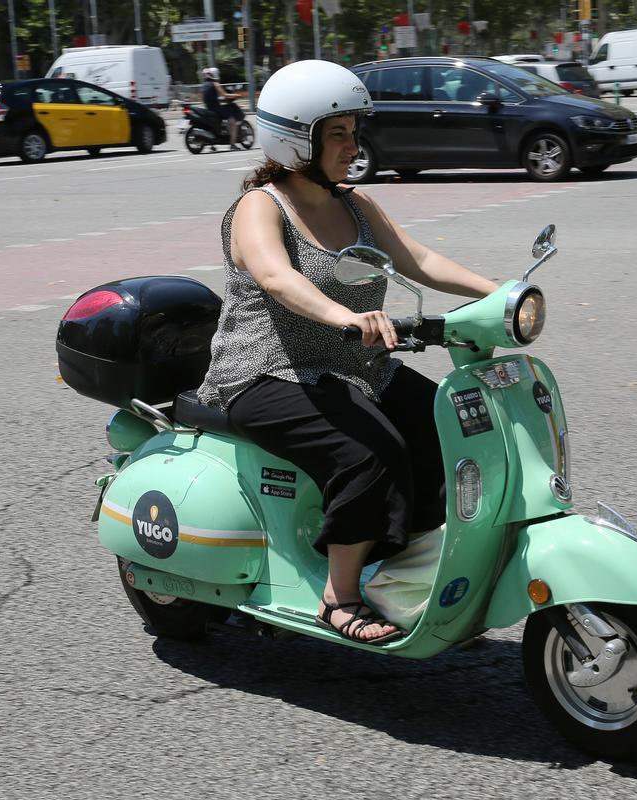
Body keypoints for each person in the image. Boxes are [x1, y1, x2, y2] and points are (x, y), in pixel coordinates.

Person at [196, 60, 498, 644]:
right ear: (295, 136)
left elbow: (420, 260)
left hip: (357, 368)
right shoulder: (262, 205)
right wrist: (346, 316)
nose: (351, 144)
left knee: (455, 427)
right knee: (369, 452)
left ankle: (408, 573)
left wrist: (501, 292)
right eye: (337, 132)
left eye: (353, 131)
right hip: (265, 373)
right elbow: (277, 277)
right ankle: (339, 596)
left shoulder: (356, 204)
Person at [200, 67, 245, 150]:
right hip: (216, 109)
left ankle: (213, 145)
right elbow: (225, 95)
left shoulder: (204, 85)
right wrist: (237, 95)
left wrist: (218, 100)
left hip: (209, 109)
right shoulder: (215, 84)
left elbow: (208, 98)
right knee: (232, 120)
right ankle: (232, 144)